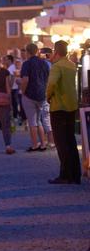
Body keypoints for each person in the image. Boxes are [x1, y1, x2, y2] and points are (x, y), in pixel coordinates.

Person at [46, 41, 81, 185]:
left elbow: (52, 83)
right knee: (71, 141)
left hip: (59, 106)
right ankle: (75, 174)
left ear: (55, 51)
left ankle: (65, 175)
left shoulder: (57, 66)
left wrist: (48, 96)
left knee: (61, 143)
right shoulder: (71, 65)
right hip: (71, 106)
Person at [20, 43, 51, 152]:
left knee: (32, 122)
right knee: (39, 121)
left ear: (27, 52)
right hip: (42, 94)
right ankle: (43, 144)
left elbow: (25, 80)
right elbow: (48, 79)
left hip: (30, 95)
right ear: (37, 51)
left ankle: (35, 144)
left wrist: (22, 92)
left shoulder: (26, 64)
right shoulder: (45, 63)